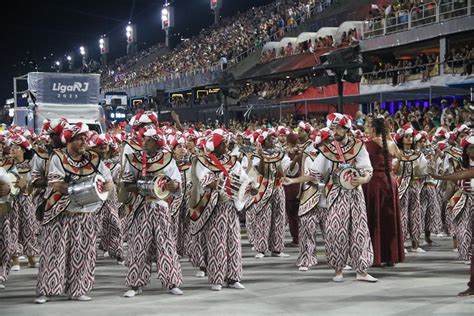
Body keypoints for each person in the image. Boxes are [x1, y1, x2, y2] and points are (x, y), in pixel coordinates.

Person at [290, 113, 377, 282]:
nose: (334, 131)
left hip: (355, 194)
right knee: (335, 231)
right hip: (335, 195)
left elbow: (367, 169)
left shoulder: (358, 146)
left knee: (360, 231)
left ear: (346, 129)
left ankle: (362, 270)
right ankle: (338, 270)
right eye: (332, 128)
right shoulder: (327, 150)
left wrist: (365, 178)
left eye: (338, 128)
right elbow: (314, 173)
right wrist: (293, 180)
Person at [35, 122, 113, 304]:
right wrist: (77, 189)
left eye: (85, 138)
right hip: (60, 213)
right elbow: (56, 184)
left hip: (85, 214)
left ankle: (78, 289)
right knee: (53, 252)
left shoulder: (93, 158)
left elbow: (108, 180)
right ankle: (46, 290)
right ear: (69, 140)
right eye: (79, 139)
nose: (84, 142)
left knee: (83, 252)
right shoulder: (58, 157)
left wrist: (106, 186)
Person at [121, 124, 183, 298]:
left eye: (149, 141)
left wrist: (173, 185)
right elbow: (126, 184)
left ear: (158, 143)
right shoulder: (133, 159)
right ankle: (135, 284)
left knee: (167, 245)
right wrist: (145, 187)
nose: (145, 143)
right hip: (141, 207)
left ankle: (172, 282)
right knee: (138, 245)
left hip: (161, 206)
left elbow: (176, 182)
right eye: (144, 139)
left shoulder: (168, 158)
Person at [190, 129, 248, 291]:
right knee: (217, 243)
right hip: (214, 208)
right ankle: (217, 278)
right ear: (214, 146)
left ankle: (233, 277)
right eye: (222, 143)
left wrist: (248, 187)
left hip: (230, 206)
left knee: (234, 242)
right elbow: (208, 182)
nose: (226, 145)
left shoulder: (233, 161)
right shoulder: (203, 161)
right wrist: (233, 184)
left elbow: (243, 178)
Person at [430, 134, 473, 296]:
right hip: (466, 205)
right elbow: (457, 180)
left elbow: (461, 177)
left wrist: (441, 177)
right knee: (466, 238)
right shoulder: (462, 165)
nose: (471, 151)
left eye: (473, 147)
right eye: (468, 148)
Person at [362, 117, 405, 267]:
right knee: (389, 219)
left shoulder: (366, 145)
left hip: (372, 183)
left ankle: (374, 256)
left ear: (373, 129)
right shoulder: (391, 144)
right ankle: (390, 256)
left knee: (373, 219)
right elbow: (402, 158)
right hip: (389, 182)